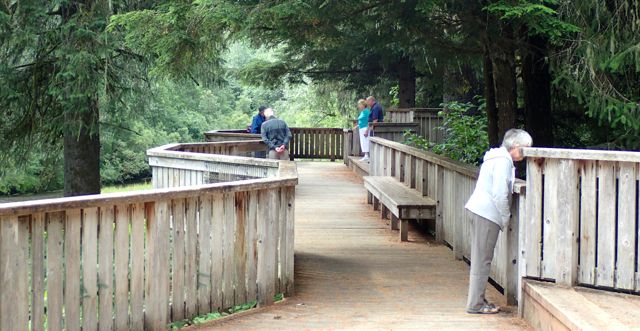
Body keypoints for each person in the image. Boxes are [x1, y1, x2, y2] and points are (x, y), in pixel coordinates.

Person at [464, 128, 532, 314]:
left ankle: (478, 299)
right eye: (525, 149)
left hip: (478, 210)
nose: (525, 154)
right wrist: (505, 217)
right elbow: (500, 194)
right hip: (486, 214)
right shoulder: (503, 162)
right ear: (516, 147)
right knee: (482, 261)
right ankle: (475, 304)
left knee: (481, 259)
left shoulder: (495, 157)